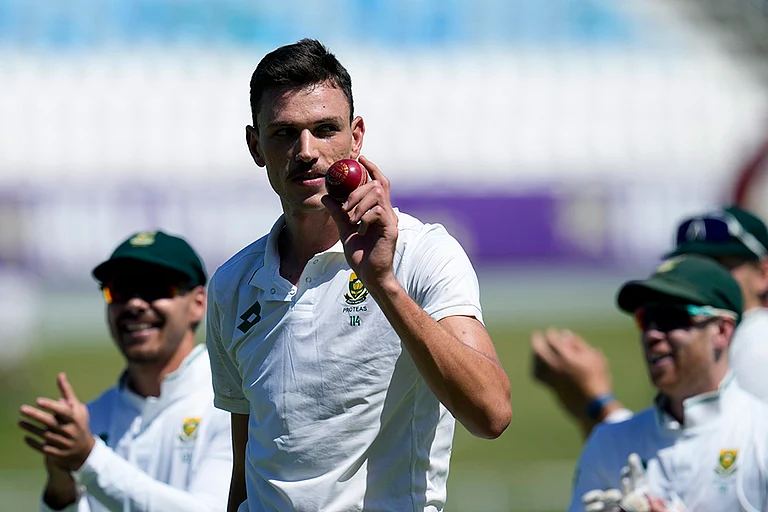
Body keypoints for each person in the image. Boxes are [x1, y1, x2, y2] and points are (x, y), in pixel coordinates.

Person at [205, 38, 512, 512]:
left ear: (357, 136)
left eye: (325, 129)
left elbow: (491, 412)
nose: (306, 151)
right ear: (255, 146)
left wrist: (383, 283)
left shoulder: (423, 253)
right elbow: (247, 464)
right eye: (284, 133)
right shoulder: (231, 284)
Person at [18, 230, 233, 512]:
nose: (134, 304)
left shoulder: (232, 405)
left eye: (155, 288)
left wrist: (89, 459)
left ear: (198, 304)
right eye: (119, 290)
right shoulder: (90, 419)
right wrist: (62, 490)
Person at [532, 205, 768, 437]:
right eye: (689, 265)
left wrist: (598, 400)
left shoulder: (757, 349)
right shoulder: (718, 344)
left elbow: (705, 462)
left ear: (763, 274)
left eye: (719, 264)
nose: (701, 278)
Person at [570, 254, 768, 512]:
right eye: (645, 318)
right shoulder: (608, 443)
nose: (652, 334)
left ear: (721, 330)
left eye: (670, 317)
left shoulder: (760, 436)